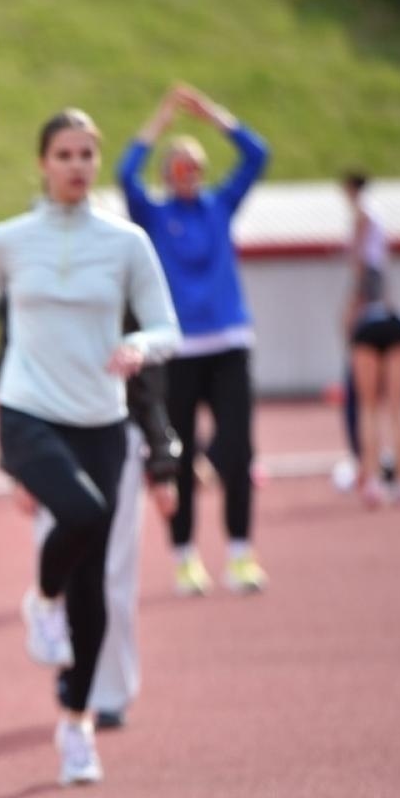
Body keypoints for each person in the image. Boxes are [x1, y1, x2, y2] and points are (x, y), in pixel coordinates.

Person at [0, 108, 179, 786]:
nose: (77, 165)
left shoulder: (126, 242)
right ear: (43, 163)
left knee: (95, 587)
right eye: (64, 154)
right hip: (27, 413)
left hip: (102, 422)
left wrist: (139, 347)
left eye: (87, 154)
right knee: (80, 520)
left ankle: (78, 724)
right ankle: (41, 600)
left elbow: (167, 326)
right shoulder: (9, 240)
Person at [119, 83, 269, 596]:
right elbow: (123, 174)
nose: (189, 174)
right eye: (179, 167)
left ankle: (241, 554)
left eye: (196, 167)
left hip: (228, 342)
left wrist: (212, 116)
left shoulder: (218, 207)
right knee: (177, 456)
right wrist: (161, 119)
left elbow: (257, 155)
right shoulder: (155, 216)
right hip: (177, 351)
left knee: (238, 451)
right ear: (167, 175)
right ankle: (184, 558)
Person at [18, 363, 181, 729]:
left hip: (116, 432)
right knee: (63, 565)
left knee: (112, 573)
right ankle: (73, 671)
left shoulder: (123, 306)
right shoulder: (34, 305)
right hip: (49, 434)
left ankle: (108, 691)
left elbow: (148, 374)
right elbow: (17, 364)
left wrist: (161, 458)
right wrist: (18, 465)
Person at [341, 171, 400, 507]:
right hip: (395, 317)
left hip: (368, 314)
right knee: (399, 409)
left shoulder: (361, 212)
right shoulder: (379, 214)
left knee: (369, 407)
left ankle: (372, 480)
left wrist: (352, 307)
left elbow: (361, 263)